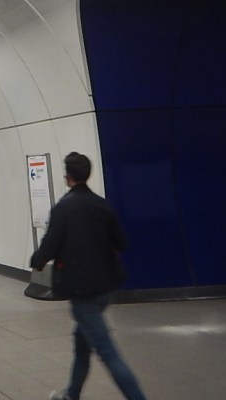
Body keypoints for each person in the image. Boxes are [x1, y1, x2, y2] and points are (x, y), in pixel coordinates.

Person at [30, 152, 148, 400]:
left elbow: (50, 244)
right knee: (82, 344)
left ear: (68, 176)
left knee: (108, 352)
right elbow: (121, 242)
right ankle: (71, 395)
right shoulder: (102, 205)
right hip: (104, 289)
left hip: (82, 291)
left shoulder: (64, 208)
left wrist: (37, 261)